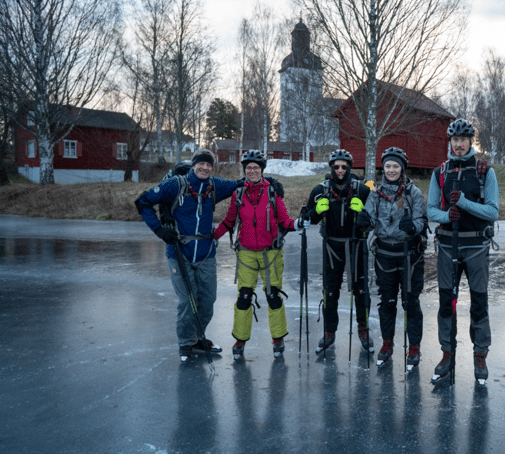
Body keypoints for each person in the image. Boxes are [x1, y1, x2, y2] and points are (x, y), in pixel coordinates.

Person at [135, 148, 242, 362]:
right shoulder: (175, 184)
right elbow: (142, 202)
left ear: (212, 167)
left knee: (208, 300)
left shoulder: (215, 185)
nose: (204, 167)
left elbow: (243, 183)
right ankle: (185, 343)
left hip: (206, 253)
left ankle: (197, 338)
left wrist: (270, 183)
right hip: (179, 253)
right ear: (194, 165)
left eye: (209, 164)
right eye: (201, 164)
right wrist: (159, 230)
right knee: (187, 300)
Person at [426, 119, 499, 384]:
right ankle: (447, 353)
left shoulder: (484, 172)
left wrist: (465, 204)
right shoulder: (440, 173)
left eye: (463, 139)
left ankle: (480, 355)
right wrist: (447, 216)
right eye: (454, 140)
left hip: (476, 247)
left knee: (479, 302)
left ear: (470, 141)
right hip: (447, 247)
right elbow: (431, 210)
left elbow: (493, 211)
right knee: (447, 304)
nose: (458, 144)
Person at [213, 150, 303, 360]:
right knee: (244, 297)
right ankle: (240, 339)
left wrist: (299, 224)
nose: (252, 171)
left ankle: (278, 338)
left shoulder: (272, 193)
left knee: (273, 296)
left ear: (262, 170)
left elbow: (285, 221)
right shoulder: (238, 194)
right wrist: (213, 236)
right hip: (245, 253)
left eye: (256, 168)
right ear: (244, 171)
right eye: (248, 168)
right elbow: (228, 221)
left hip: (270, 253)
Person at [356, 147, 427, 371]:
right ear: (383, 168)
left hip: (409, 256)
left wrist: (413, 227)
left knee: (410, 302)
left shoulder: (413, 193)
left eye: (396, 166)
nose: (391, 170)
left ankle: (414, 346)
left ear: (402, 168)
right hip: (385, 255)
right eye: (388, 166)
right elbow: (369, 220)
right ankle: (387, 343)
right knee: (387, 302)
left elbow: (422, 221)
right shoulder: (375, 193)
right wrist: (364, 221)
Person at [305, 149, 372, 354]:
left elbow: (372, 223)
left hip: (356, 245)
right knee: (330, 291)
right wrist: (316, 211)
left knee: (361, 291)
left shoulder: (362, 190)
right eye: (336, 167)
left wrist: (362, 212)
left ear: (350, 167)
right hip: (331, 247)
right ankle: (329, 332)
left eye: (344, 166)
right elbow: (308, 218)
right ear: (331, 168)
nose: (340, 170)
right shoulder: (320, 190)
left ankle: (363, 328)